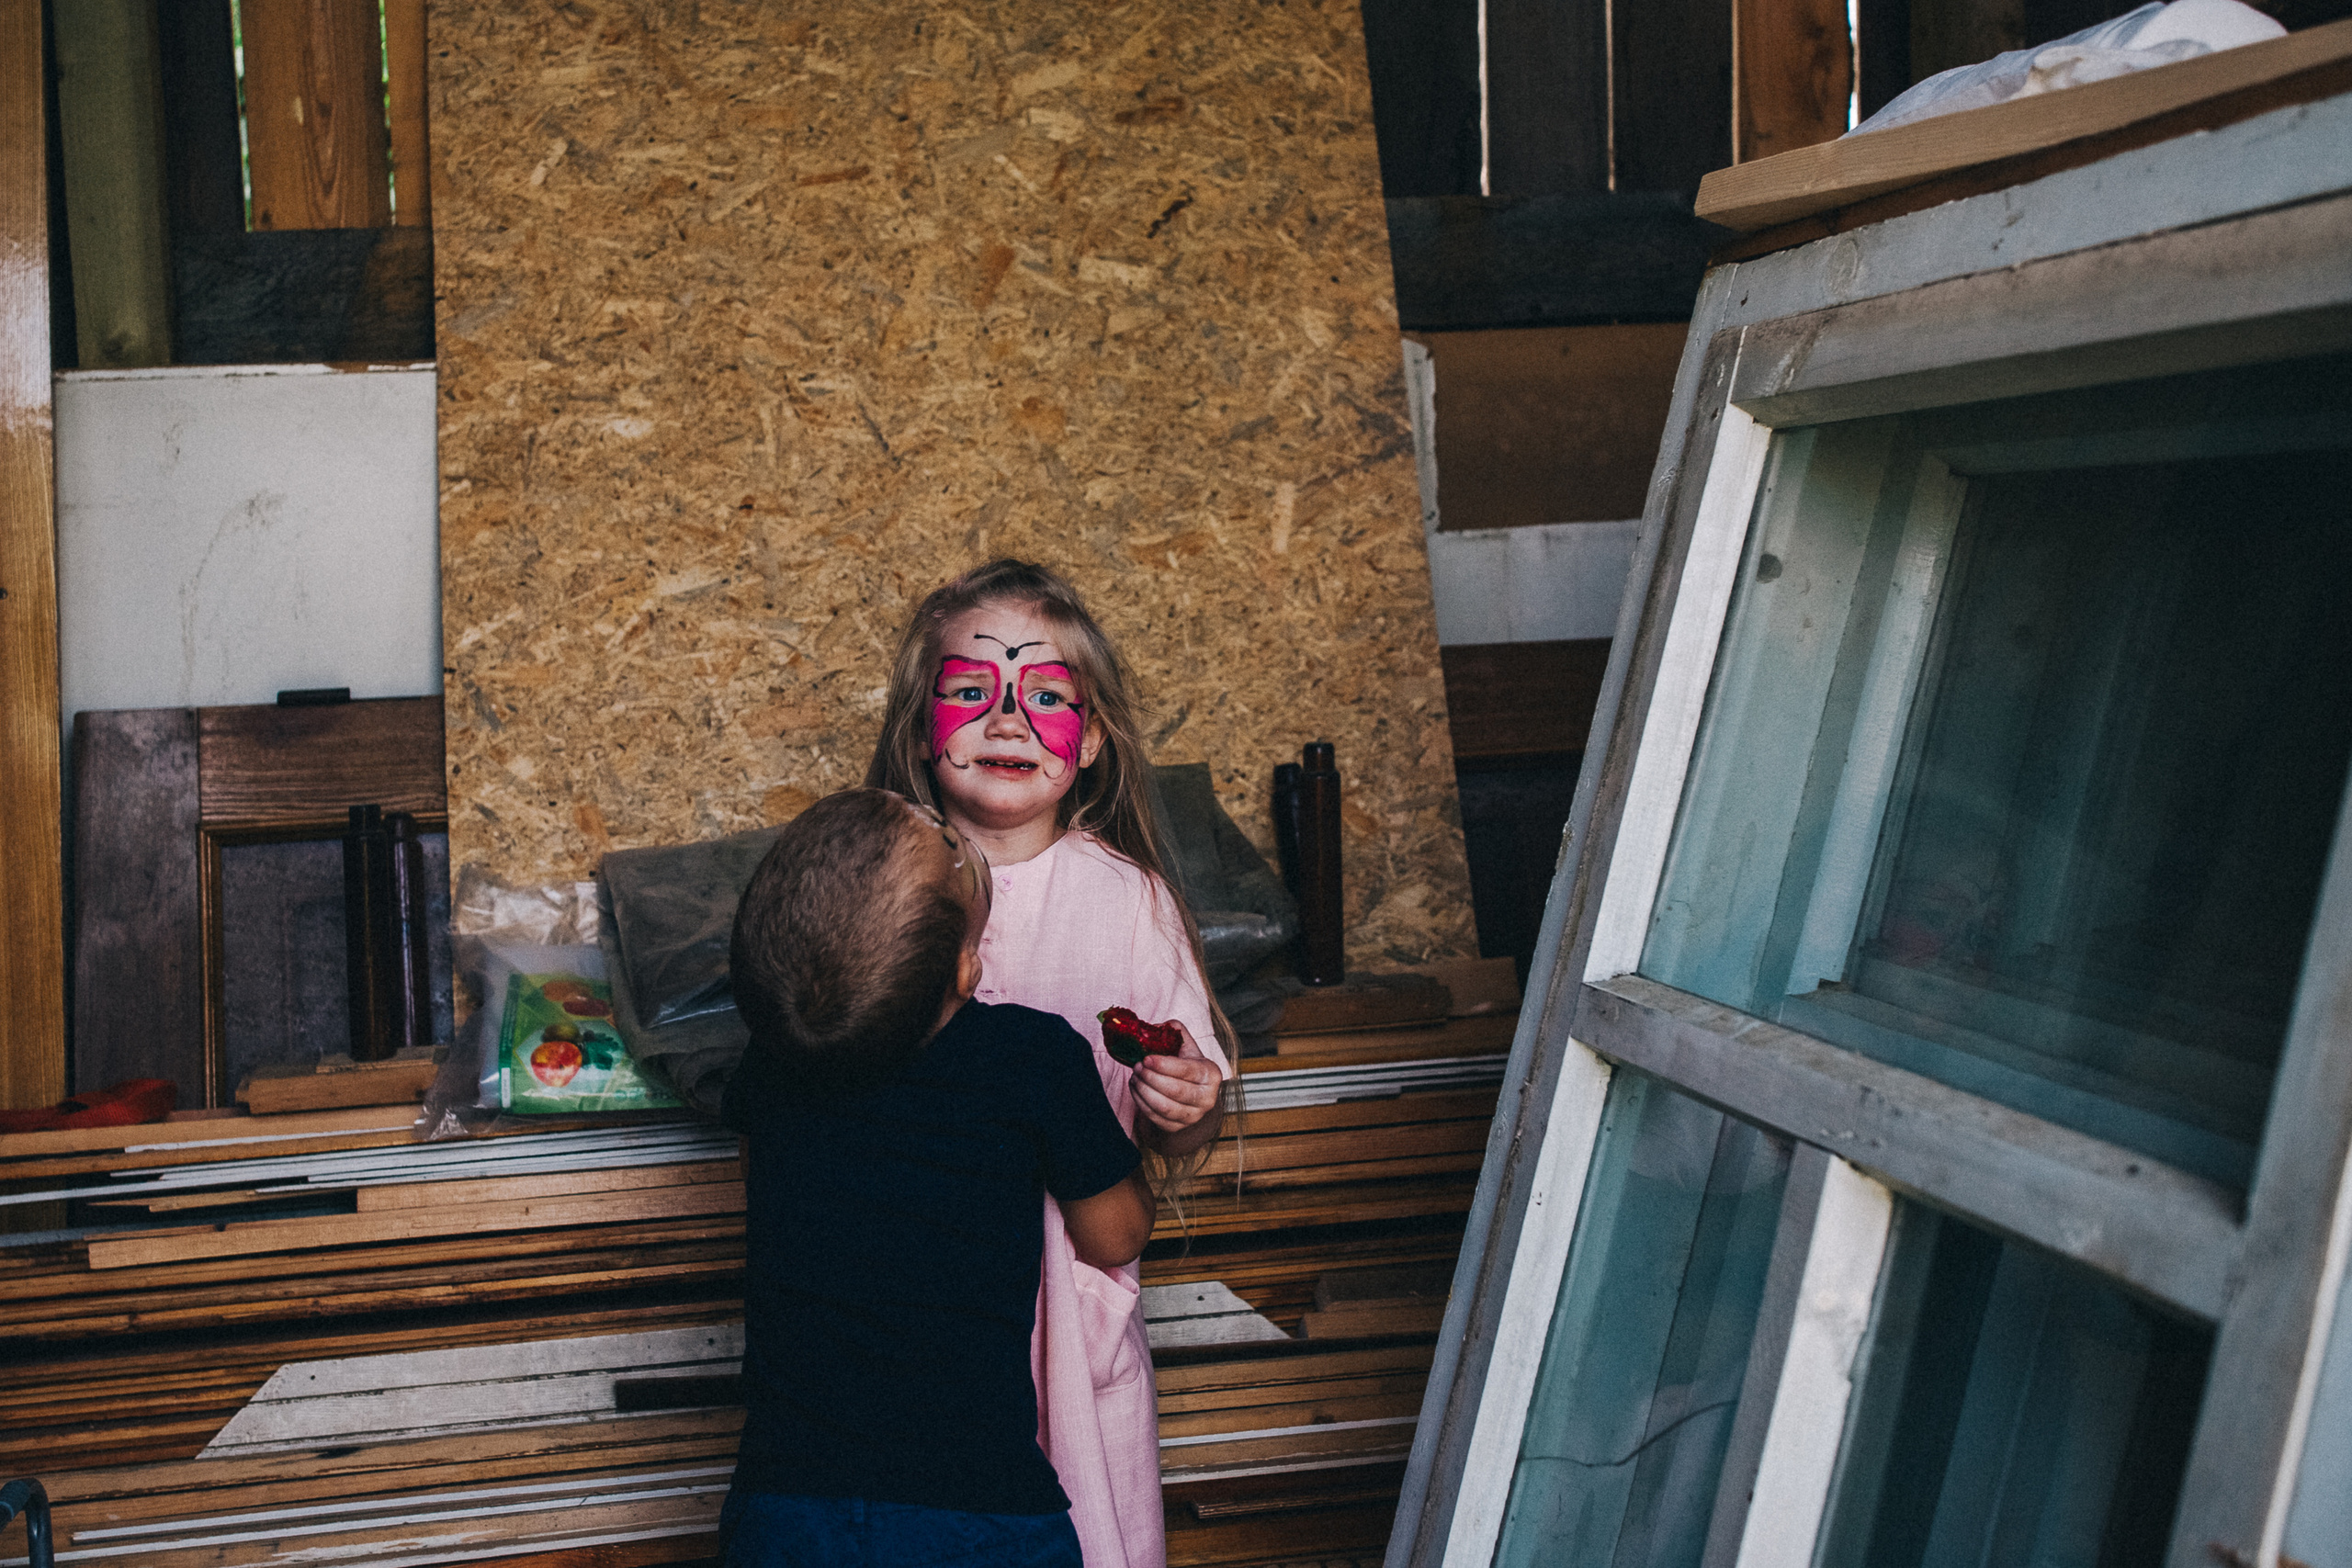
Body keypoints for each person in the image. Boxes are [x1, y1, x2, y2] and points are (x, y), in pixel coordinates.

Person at [867, 559, 1234, 1568]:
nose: (1008, 719)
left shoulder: (1129, 902)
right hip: (918, 1302)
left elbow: (1186, 1117)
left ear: (1094, 737)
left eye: (1046, 697)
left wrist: (1186, 1101)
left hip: (1073, 1318)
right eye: (971, 690)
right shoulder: (883, 892)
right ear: (921, 725)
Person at [719, 787, 1157, 1568]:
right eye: (945, 840)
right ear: (965, 968)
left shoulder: (775, 1062)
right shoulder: (1031, 1057)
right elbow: (1114, 1234)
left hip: (784, 1504)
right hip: (977, 1508)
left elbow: (760, 1175)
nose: (942, 821)